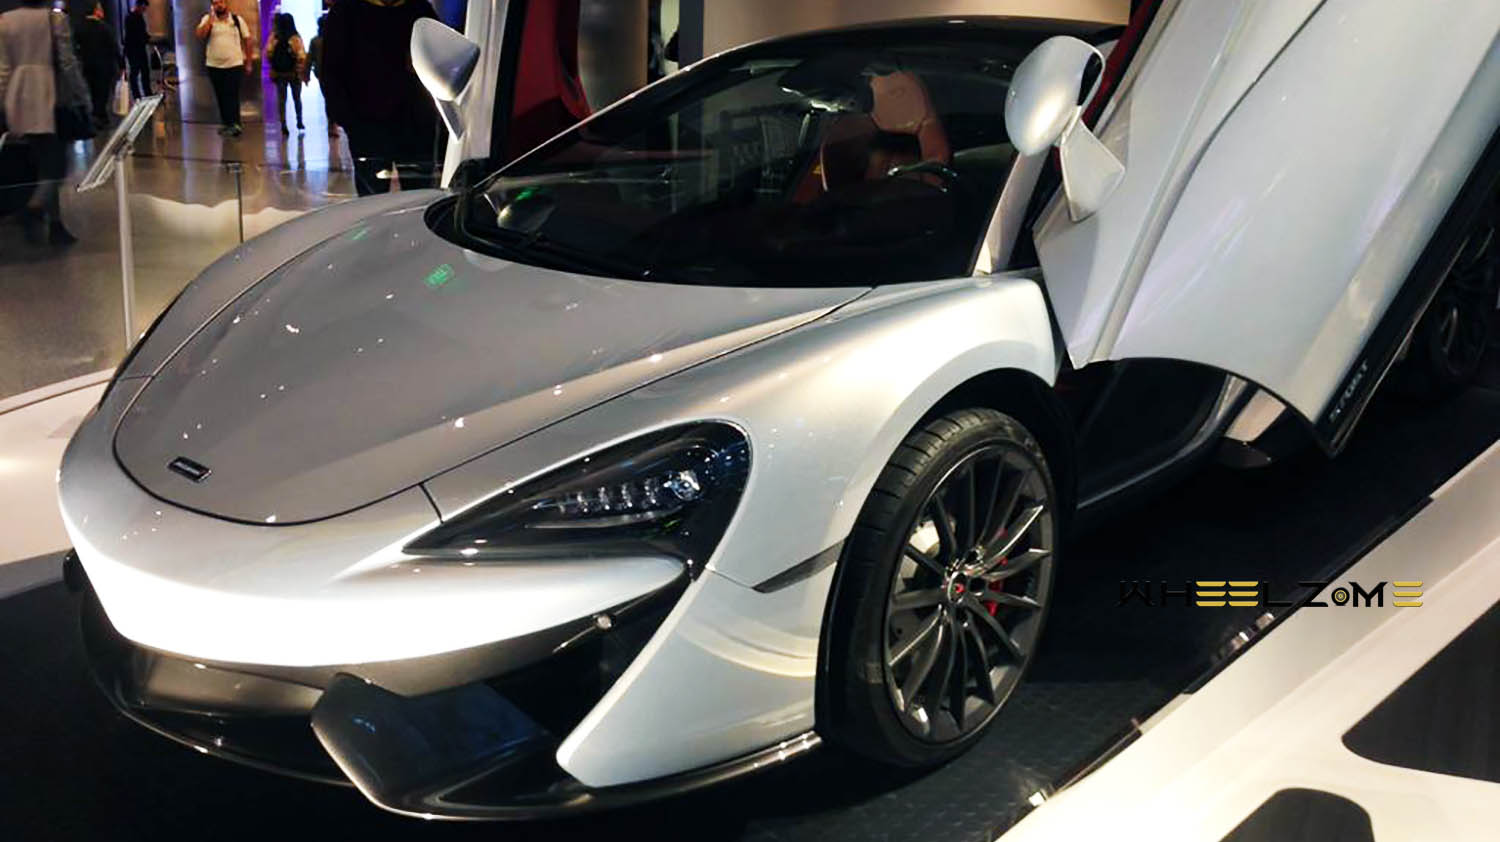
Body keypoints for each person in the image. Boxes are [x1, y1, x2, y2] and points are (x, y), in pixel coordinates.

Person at [321, 0, 439, 195]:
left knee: (418, 196)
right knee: (372, 197)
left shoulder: (419, 9)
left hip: (415, 123)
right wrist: (348, 119)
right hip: (367, 125)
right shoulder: (346, 11)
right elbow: (331, 71)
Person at [0, 0, 88, 244]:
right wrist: (82, 95)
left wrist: (3, 102)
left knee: (41, 161)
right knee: (56, 165)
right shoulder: (54, 19)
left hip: (18, 95)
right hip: (48, 95)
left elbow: (3, 69)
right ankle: (35, 208)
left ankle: (52, 223)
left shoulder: (6, 22)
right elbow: (67, 62)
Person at [195, 0, 252, 137]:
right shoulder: (207, 19)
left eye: (220, 2)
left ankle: (236, 124)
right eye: (215, 3)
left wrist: (248, 62)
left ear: (226, 3)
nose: (219, 5)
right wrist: (210, 20)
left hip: (234, 64)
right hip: (214, 65)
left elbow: (247, 40)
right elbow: (200, 35)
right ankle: (226, 123)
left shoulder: (236, 20)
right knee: (220, 95)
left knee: (232, 95)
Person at [74, 2, 121, 128]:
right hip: (104, 66)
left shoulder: (80, 28)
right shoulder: (104, 28)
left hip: (88, 65)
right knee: (103, 92)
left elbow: (75, 47)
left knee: (93, 91)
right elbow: (114, 47)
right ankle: (100, 116)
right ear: (96, 11)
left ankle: (96, 115)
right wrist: (121, 64)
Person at [264, 12, 305, 135]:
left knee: (282, 99)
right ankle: (299, 120)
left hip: (279, 73)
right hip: (294, 73)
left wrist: (274, 64)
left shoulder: (274, 37)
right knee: (297, 98)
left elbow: (268, 53)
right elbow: (301, 56)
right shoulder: (295, 38)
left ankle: (283, 123)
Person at [306, 13, 335, 136]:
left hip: (321, 73)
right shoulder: (335, 39)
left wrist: (306, 74)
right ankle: (333, 122)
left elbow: (310, 58)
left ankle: (331, 124)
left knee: (328, 98)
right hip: (335, 73)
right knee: (334, 97)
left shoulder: (315, 41)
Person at [122, 0, 150, 99]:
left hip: (139, 48)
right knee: (135, 72)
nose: (144, 10)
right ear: (139, 5)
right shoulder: (130, 18)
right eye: (144, 8)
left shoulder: (138, 17)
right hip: (133, 49)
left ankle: (147, 93)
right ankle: (137, 95)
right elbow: (134, 35)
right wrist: (145, 38)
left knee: (144, 71)